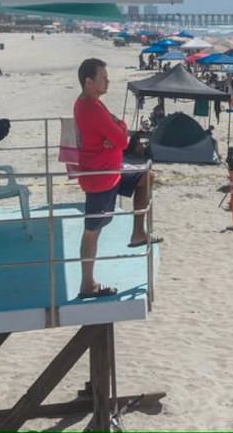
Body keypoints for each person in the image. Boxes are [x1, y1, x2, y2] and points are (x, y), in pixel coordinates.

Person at [73, 58, 160, 300]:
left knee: (146, 177)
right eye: (103, 77)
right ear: (89, 81)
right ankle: (87, 284)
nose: (108, 80)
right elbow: (123, 141)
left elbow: (120, 131)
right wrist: (117, 131)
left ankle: (137, 233)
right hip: (100, 177)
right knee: (92, 231)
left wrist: (116, 129)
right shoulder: (90, 107)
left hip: (110, 173)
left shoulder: (93, 104)